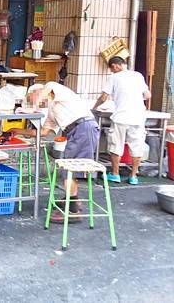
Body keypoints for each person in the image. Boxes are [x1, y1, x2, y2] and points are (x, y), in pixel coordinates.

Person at [11, 81, 99, 223]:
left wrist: (32, 108)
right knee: (69, 169)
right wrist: (17, 131)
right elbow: (43, 132)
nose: (32, 102)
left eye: (31, 98)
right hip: (76, 131)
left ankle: (73, 211)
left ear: (38, 93)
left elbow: (49, 85)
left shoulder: (58, 91)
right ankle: (72, 201)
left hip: (83, 128)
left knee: (69, 170)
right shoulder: (52, 110)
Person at [93, 56, 151, 185]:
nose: (112, 71)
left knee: (116, 146)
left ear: (115, 66)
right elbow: (148, 95)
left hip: (121, 117)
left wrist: (94, 108)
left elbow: (103, 97)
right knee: (137, 147)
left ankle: (115, 174)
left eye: (112, 69)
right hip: (138, 117)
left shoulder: (114, 77)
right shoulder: (137, 75)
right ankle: (133, 176)